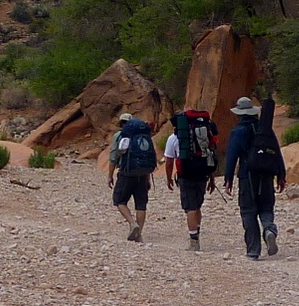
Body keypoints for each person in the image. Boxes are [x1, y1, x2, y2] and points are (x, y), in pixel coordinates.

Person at [222, 96, 287, 259]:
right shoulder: (265, 130)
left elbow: (231, 156)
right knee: (266, 206)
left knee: (248, 211)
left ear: (239, 114)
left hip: (247, 175)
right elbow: (276, 153)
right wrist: (281, 175)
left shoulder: (238, 131)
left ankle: (253, 250)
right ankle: (269, 229)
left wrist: (228, 178)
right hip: (266, 175)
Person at [164, 108, 220, 251]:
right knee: (197, 206)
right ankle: (197, 232)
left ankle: (194, 241)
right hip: (203, 173)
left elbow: (169, 161)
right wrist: (212, 178)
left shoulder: (174, 138)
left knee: (190, 208)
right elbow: (210, 156)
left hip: (186, 175)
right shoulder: (205, 135)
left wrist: (169, 178)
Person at [107, 112, 158, 241]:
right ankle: (139, 233)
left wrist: (110, 175)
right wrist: (147, 178)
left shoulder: (120, 135)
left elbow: (114, 157)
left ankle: (132, 223)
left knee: (119, 200)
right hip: (142, 173)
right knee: (141, 204)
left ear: (122, 124)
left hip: (127, 173)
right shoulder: (144, 136)